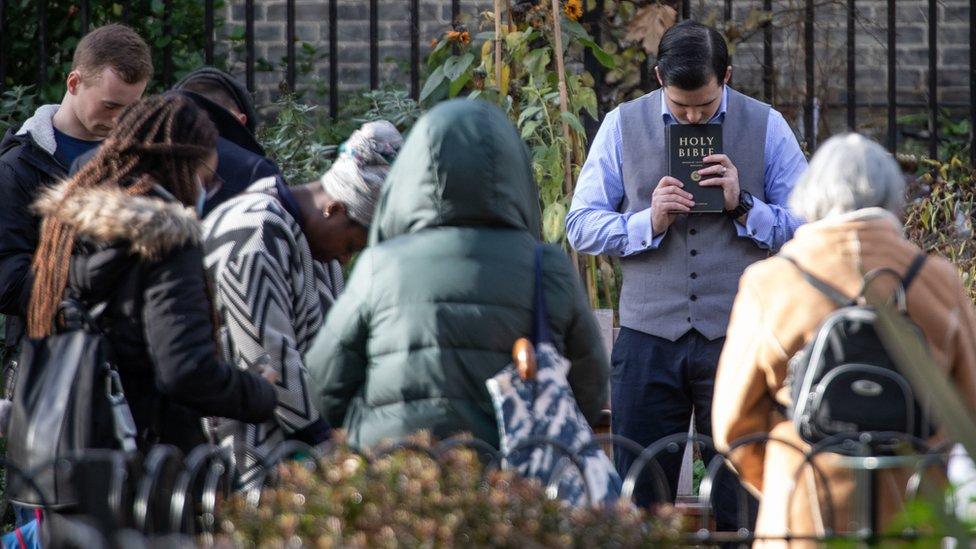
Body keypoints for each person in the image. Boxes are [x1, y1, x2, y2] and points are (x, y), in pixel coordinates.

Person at [564, 19, 807, 523]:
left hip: (739, 334)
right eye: (681, 107)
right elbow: (580, 225)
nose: (695, 117)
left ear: (728, 77)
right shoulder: (621, 125)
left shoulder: (766, 125)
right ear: (658, 79)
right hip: (647, 336)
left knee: (742, 494)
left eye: (707, 105)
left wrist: (745, 208)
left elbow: (808, 226)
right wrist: (645, 222)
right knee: (639, 497)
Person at [712, 134, 976, 545]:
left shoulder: (771, 282)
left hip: (804, 511)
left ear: (811, 194)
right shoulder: (939, 280)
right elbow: (969, 407)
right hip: (913, 513)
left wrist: (784, 479)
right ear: (893, 195)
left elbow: (733, 424)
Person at [305, 99, 610, 450]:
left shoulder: (381, 265)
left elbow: (325, 383)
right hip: (512, 476)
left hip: (397, 470)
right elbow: (590, 386)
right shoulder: (547, 267)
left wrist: (364, 425)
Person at [28, 93, 277, 453]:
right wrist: (258, 392)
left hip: (57, 451)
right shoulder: (168, 240)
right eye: (207, 179)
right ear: (183, 168)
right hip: (145, 463)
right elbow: (185, 369)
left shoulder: (64, 228)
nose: (206, 191)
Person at [203, 121, 402, 486]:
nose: (345, 259)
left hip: (292, 451)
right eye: (352, 245)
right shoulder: (255, 231)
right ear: (335, 209)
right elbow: (269, 362)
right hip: (243, 456)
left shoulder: (310, 242)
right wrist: (328, 443)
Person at [0, 24, 152, 365]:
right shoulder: (18, 167)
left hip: (131, 358)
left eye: (131, 109)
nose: (119, 120)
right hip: (52, 360)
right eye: (110, 106)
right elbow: (7, 281)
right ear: (74, 83)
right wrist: (89, 282)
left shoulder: (138, 161)